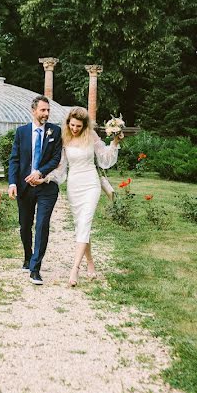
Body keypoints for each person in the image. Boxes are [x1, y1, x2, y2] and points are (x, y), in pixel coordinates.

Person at [41, 106, 120, 287]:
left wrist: (114, 142)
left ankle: (74, 268)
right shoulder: (65, 138)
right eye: (72, 125)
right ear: (68, 123)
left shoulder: (91, 136)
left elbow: (105, 157)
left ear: (85, 125)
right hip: (74, 185)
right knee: (81, 227)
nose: (75, 129)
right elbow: (61, 166)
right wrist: (47, 177)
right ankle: (90, 262)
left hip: (91, 184)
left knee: (85, 223)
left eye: (78, 126)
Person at [8, 95, 63, 285]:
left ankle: (35, 268)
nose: (46, 113)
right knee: (25, 225)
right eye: (43, 110)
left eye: (48, 110)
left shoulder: (55, 131)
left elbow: (56, 159)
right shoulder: (21, 132)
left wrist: (40, 172)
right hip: (24, 187)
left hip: (47, 187)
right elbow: (14, 159)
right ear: (33, 111)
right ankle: (27, 256)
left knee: (42, 225)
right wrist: (12, 183)